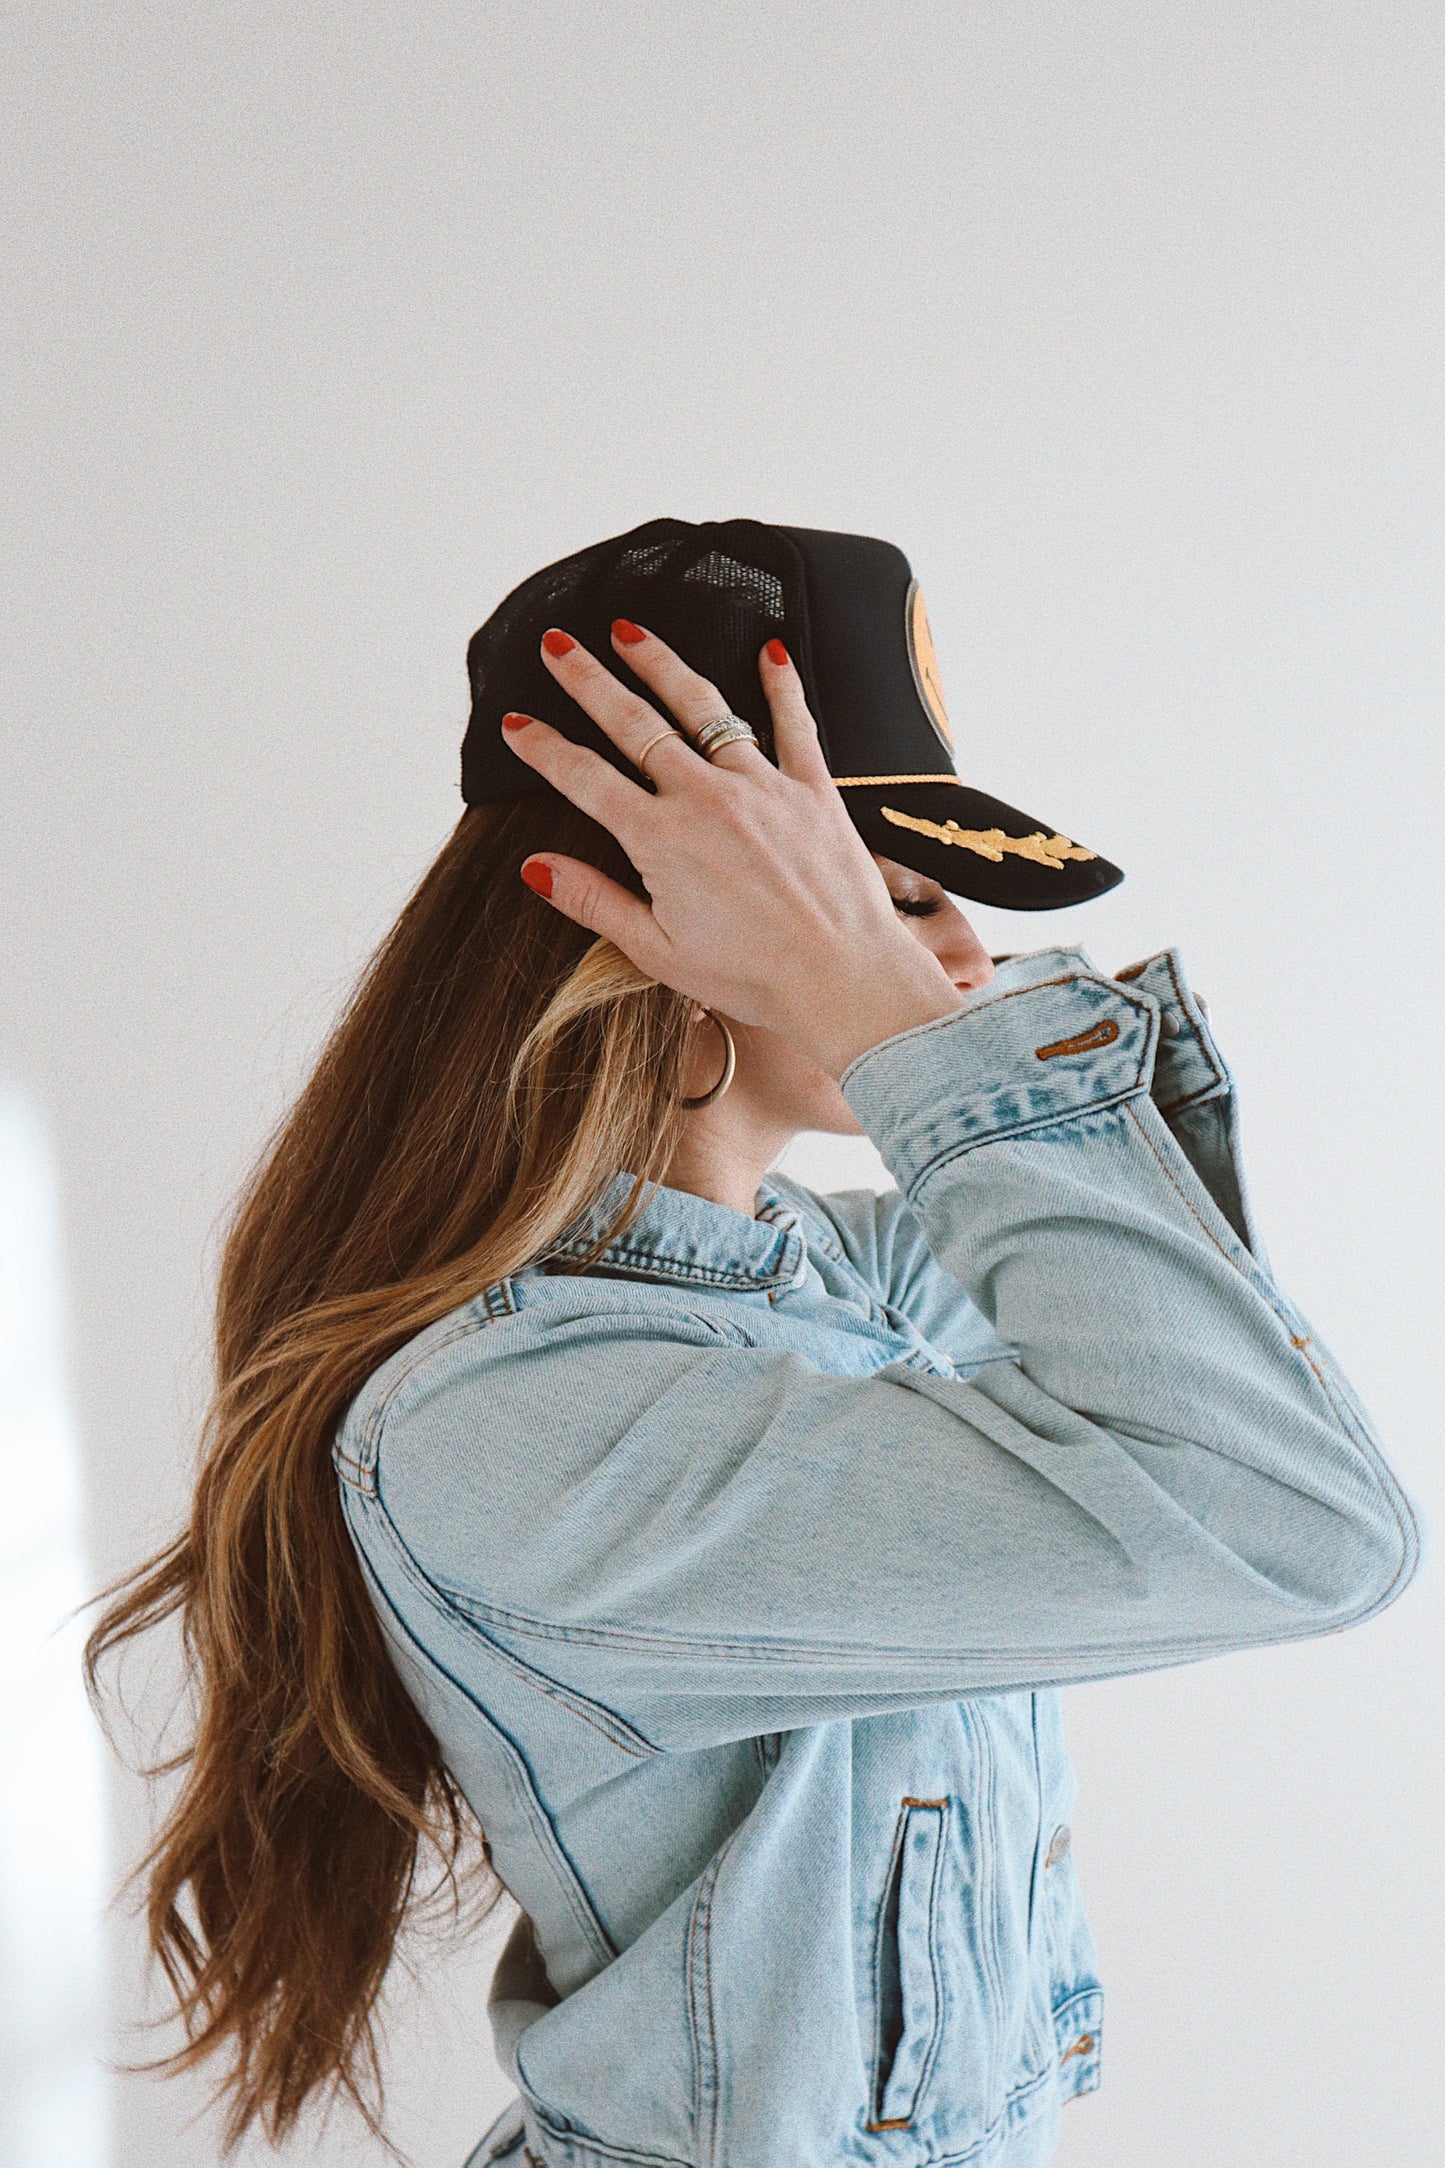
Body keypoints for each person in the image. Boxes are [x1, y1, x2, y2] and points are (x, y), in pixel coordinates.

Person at [88, 521, 1420, 2168]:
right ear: (652, 921)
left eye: (951, 913)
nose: (952, 967)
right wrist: (877, 1013)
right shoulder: (519, 1417)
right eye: (885, 901)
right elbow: (1301, 1527)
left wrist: (884, 997)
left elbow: (1185, 1328)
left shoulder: (816, 1277)